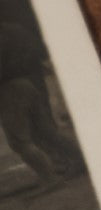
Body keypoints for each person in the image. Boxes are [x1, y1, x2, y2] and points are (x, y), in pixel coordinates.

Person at [0, 19, 79, 192]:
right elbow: (37, 51)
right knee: (47, 131)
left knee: (20, 142)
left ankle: (49, 178)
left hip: (9, 90)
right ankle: (80, 161)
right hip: (29, 83)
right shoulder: (16, 28)